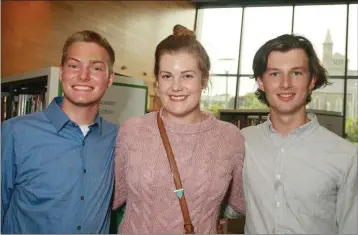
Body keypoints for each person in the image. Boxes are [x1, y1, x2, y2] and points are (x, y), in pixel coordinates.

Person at [112, 24, 245, 234]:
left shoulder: (230, 138)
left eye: (187, 76)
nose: (176, 86)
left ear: (204, 80)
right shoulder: (132, 130)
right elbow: (112, 197)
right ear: (157, 82)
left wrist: (207, 215)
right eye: (167, 76)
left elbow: (236, 205)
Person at [226, 34, 358, 234]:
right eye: (275, 74)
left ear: (312, 80)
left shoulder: (346, 156)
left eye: (296, 73)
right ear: (261, 82)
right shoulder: (243, 141)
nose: (285, 83)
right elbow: (224, 206)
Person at [1, 30, 119, 233]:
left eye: (96, 68)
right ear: (62, 72)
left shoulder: (119, 138)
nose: (83, 76)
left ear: (109, 79)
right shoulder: (15, 133)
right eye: (74, 66)